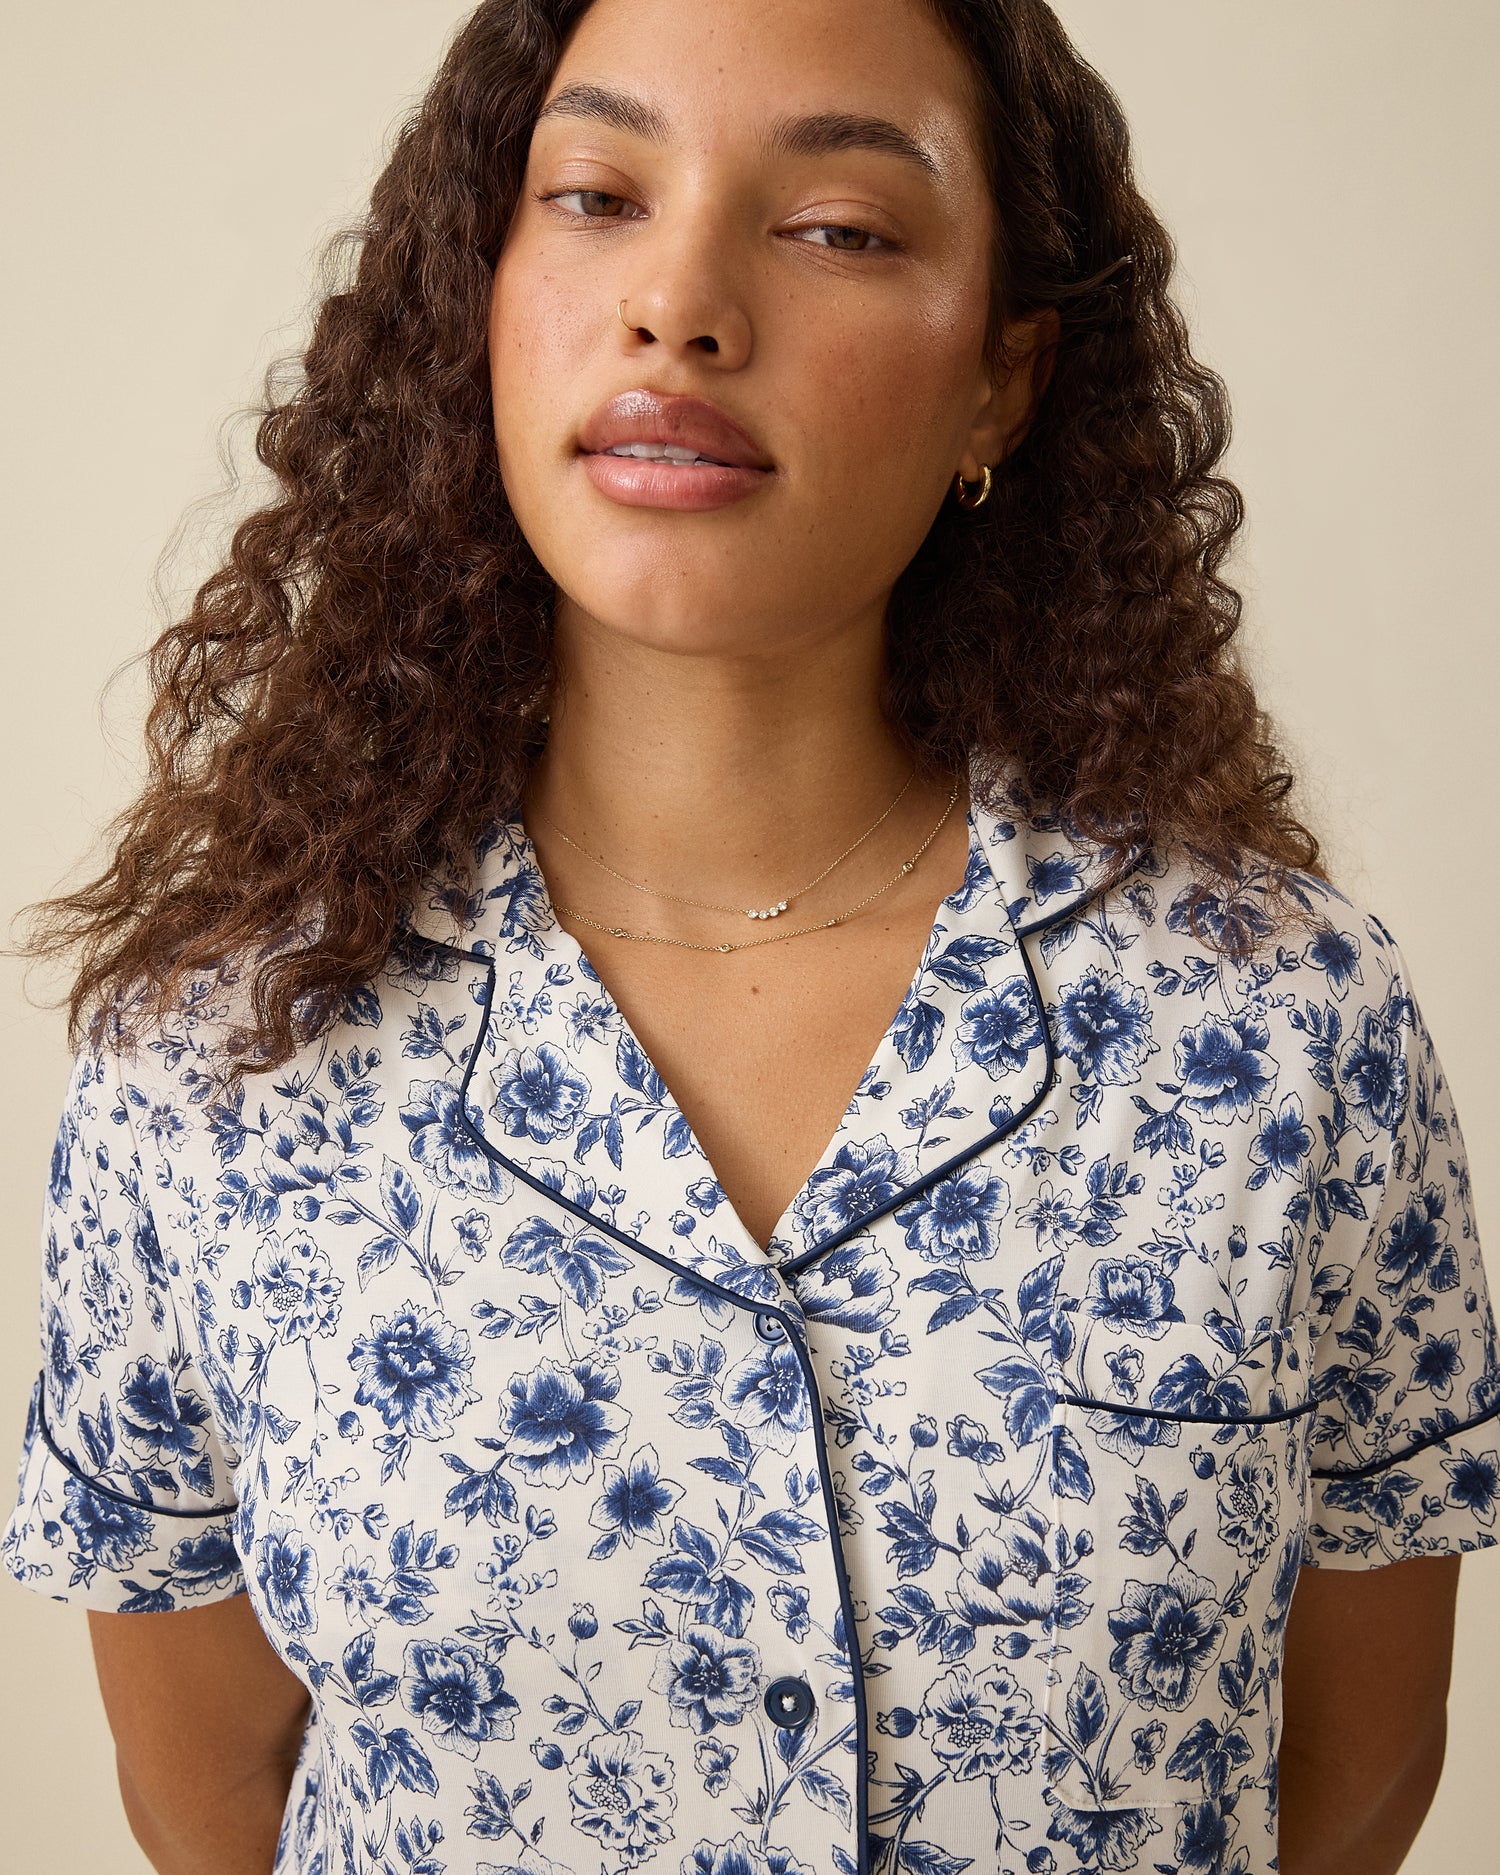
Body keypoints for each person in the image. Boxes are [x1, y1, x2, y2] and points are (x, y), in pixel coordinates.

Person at [4, 2, 1496, 1873]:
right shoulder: (215, 1063)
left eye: (840, 228)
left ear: (1000, 383)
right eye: (597, 194)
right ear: (479, 294)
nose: (681, 305)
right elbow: (208, 1793)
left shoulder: (1285, 1030)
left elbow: (1360, 1770)